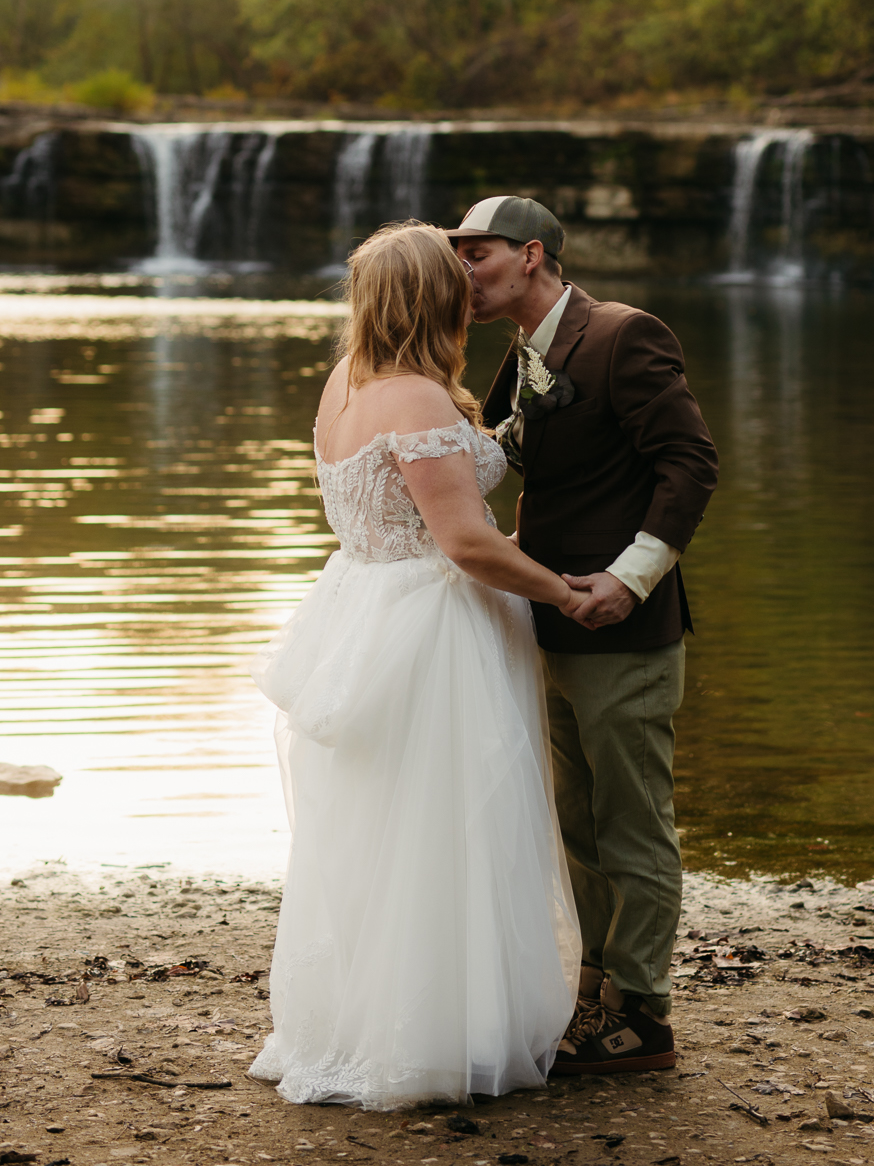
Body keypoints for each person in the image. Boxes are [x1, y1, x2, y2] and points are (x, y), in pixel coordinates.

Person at [248, 221, 584, 1109]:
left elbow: (409, 519)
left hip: (362, 607)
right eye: (455, 281)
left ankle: (359, 1021)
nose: (470, 293)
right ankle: (436, 1036)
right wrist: (564, 590)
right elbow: (467, 545)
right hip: (430, 628)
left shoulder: (344, 383)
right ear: (431, 299)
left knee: (375, 828)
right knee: (448, 826)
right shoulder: (417, 399)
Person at [449, 196, 720, 1075]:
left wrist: (631, 575)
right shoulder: (521, 353)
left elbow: (689, 463)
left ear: (530, 255)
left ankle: (644, 1017)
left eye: (475, 254)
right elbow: (507, 457)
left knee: (633, 824)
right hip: (549, 619)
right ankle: (597, 991)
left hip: (625, 626)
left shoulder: (623, 334)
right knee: (578, 825)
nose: (462, 272)